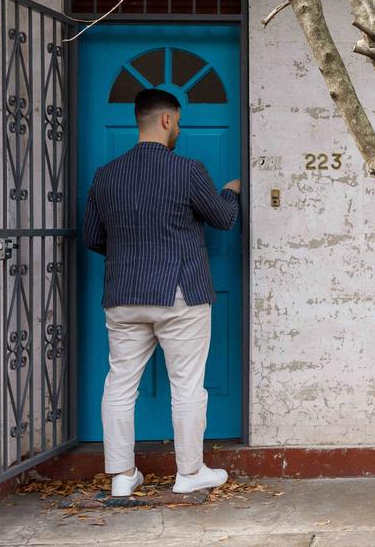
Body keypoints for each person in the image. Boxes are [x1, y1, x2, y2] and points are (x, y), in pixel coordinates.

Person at [82, 88, 241, 497]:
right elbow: (223, 219)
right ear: (168, 120)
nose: (179, 129)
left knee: (119, 384)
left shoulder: (105, 175)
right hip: (179, 292)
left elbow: (93, 237)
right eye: (179, 122)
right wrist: (232, 191)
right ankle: (189, 473)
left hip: (124, 294)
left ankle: (121, 476)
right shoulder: (187, 169)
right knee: (187, 385)